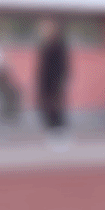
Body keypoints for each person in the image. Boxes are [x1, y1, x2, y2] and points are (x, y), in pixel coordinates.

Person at [36, 17, 71, 150]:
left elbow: (63, 67)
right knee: (47, 109)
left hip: (55, 83)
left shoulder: (59, 46)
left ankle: (61, 138)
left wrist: (59, 84)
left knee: (57, 109)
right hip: (45, 84)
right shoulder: (45, 45)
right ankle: (52, 136)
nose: (44, 31)